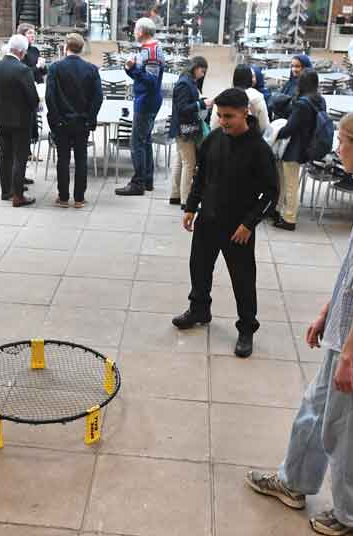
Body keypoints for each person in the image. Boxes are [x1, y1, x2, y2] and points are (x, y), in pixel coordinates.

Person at [246, 107, 353, 536]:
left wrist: (348, 357)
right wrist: (327, 312)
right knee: (315, 410)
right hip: (345, 332)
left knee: (350, 430)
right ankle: (294, 481)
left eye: (340, 142)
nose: (335, 149)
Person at [172, 88, 278, 359]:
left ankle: (246, 329)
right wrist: (191, 207)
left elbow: (270, 194)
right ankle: (199, 309)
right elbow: (201, 175)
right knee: (199, 267)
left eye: (229, 116)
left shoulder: (259, 150)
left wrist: (249, 224)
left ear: (246, 113)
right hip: (208, 219)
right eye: (219, 115)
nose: (223, 121)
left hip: (238, 228)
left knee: (242, 280)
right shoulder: (215, 138)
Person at [45, 33, 103, 208]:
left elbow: (50, 97)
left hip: (62, 123)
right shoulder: (91, 69)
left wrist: (56, 119)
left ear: (65, 47)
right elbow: (98, 97)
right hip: (82, 122)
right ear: (82, 48)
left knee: (62, 159)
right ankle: (79, 198)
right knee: (81, 159)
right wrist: (89, 118)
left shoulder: (55, 68)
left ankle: (63, 197)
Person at [115, 17, 166, 196]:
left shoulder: (151, 51)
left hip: (146, 100)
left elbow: (151, 81)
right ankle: (147, 180)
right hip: (148, 98)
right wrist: (132, 69)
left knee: (136, 142)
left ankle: (138, 183)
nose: (134, 32)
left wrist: (132, 68)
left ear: (142, 32)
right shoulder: (150, 49)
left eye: (136, 30)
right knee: (145, 140)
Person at [0, 34, 40, 207]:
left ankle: (6, 191)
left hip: (1, 117)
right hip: (20, 120)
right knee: (20, 157)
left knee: (5, 154)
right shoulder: (23, 70)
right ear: (22, 52)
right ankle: (18, 196)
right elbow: (32, 98)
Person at [274, 69, 325, 231]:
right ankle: (280, 210)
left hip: (293, 148)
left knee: (289, 184)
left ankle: (289, 218)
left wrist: (273, 132)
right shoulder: (319, 100)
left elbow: (290, 128)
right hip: (307, 145)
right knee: (289, 182)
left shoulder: (302, 103)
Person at [169, 56, 213, 208]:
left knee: (181, 161)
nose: (202, 74)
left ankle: (175, 195)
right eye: (202, 71)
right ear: (195, 67)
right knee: (189, 163)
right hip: (185, 129)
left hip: (182, 128)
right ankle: (185, 200)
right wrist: (201, 104)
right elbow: (182, 109)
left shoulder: (187, 80)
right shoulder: (184, 83)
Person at [17, 23, 46, 169]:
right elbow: (25, 72)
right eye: (29, 33)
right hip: (27, 90)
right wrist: (37, 67)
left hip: (37, 88)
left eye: (33, 33)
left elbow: (40, 72)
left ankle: (28, 152)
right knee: (28, 121)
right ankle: (25, 153)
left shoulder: (34, 50)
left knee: (33, 120)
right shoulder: (20, 52)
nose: (32, 36)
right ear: (22, 35)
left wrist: (43, 67)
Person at [269, 55, 312, 120]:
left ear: (305, 68)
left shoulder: (307, 88)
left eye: (297, 66)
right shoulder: (289, 83)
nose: (294, 69)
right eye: (292, 66)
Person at [232, 63, 270, 132]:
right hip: (251, 139)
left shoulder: (225, 95)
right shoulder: (257, 97)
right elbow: (264, 126)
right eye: (252, 76)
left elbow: (214, 125)